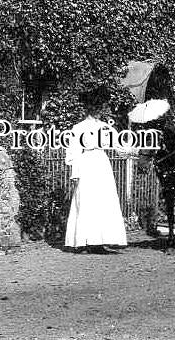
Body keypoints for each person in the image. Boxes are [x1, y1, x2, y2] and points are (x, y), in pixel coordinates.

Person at [64, 85, 128, 253]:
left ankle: (99, 241)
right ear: (90, 109)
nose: (99, 111)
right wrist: (75, 173)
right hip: (86, 164)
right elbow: (74, 151)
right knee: (86, 201)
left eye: (100, 108)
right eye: (97, 108)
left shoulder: (106, 128)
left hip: (102, 164)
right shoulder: (78, 128)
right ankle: (84, 241)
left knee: (103, 201)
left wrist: (132, 151)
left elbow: (119, 146)